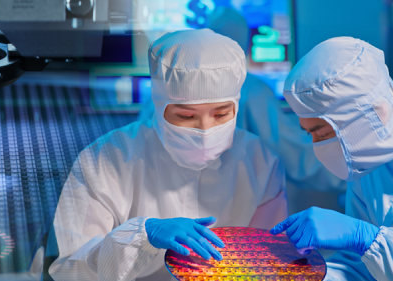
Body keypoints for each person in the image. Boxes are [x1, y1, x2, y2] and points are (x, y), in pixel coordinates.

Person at [48, 29, 288, 281]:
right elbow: (76, 278)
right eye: (186, 116)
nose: (205, 130)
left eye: (221, 114)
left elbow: (262, 268)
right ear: (160, 105)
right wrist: (142, 236)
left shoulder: (259, 160)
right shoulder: (105, 159)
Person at [139, 6, 346, 193]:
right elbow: (296, 158)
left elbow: (140, 151)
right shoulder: (253, 92)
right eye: (187, 116)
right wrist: (350, 175)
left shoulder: (164, 88)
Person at [269, 37, 393, 281]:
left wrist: (367, 238)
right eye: (310, 133)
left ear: (376, 113)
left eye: (323, 133)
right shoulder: (367, 168)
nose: (318, 146)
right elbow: (371, 277)